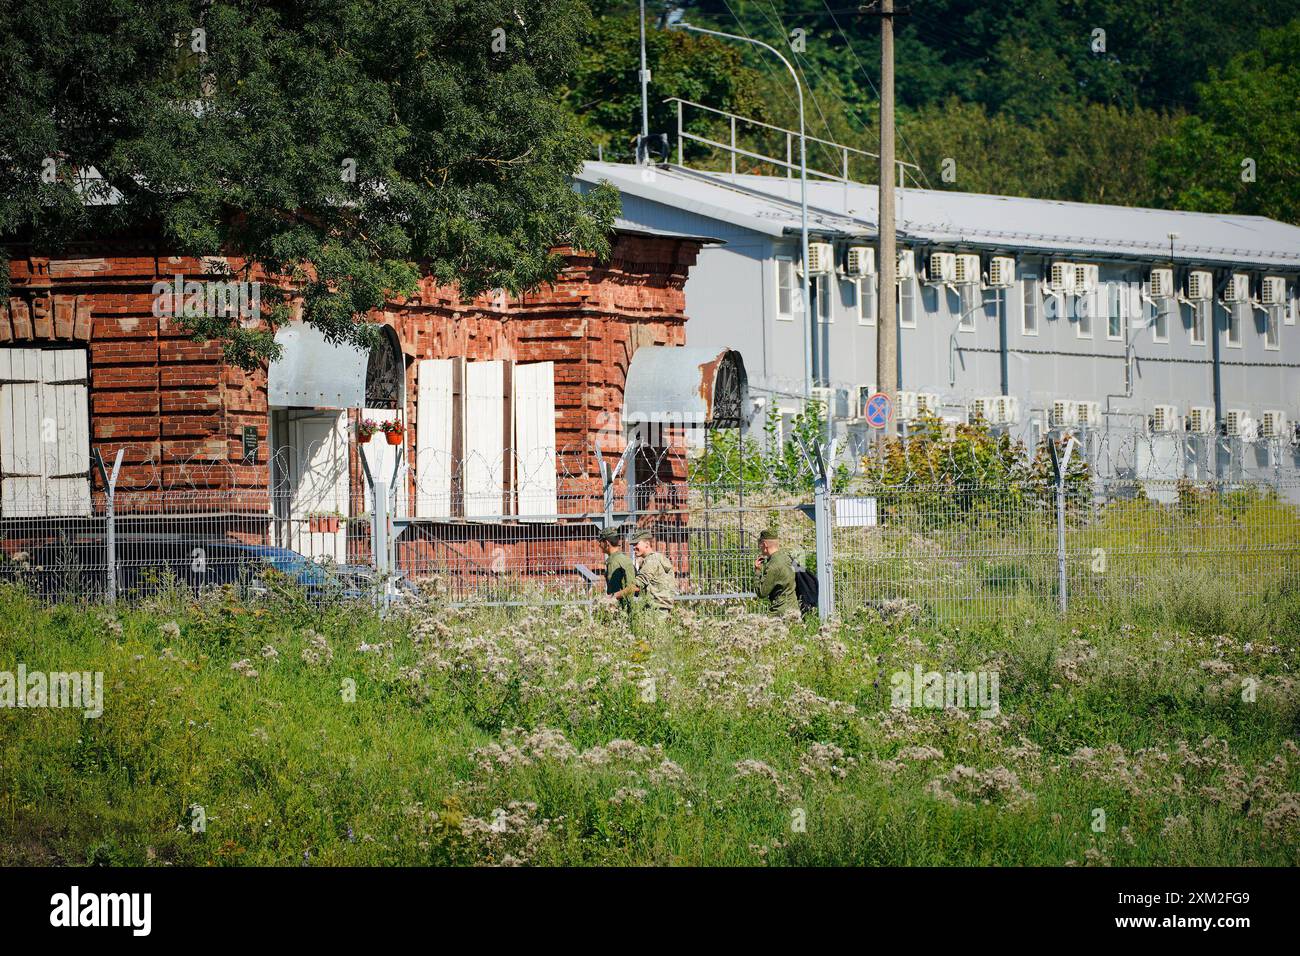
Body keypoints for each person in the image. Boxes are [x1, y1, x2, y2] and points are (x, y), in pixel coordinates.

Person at [631, 529, 677, 614]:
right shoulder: (659, 557)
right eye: (633, 544)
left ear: (647, 544)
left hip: (655, 609)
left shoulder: (651, 561)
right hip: (664, 607)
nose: (634, 547)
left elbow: (638, 584)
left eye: (636, 544)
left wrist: (619, 593)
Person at [754, 529, 798, 615]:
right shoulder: (788, 558)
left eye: (760, 544)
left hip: (780, 612)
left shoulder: (773, 566)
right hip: (794, 610)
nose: (759, 547)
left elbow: (762, 593)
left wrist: (757, 571)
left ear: (765, 544)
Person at [597, 527, 637, 611]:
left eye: (600, 542)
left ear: (606, 543)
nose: (599, 545)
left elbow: (613, 593)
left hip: (619, 609)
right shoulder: (624, 558)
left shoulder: (613, 562)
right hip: (630, 605)